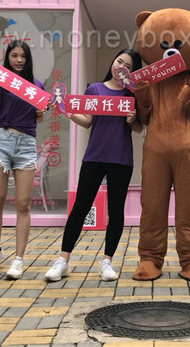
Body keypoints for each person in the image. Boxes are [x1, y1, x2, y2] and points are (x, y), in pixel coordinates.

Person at [45, 49, 143, 282]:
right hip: (94, 157)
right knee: (80, 207)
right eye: (119, 61)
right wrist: (67, 111)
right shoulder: (95, 89)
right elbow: (87, 122)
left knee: (116, 212)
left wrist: (132, 121)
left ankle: (107, 261)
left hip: (121, 159)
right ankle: (63, 260)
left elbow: (139, 128)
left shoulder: (133, 94)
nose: (122, 67)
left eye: (128, 66)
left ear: (133, 72)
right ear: (113, 61)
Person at [0, 41, 45, 280]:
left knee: (23, 204)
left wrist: (40, 113)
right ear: (7, 58)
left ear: (28, 59)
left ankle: (18, 259)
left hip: (26, 145)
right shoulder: (0, 83)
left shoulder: (36, 86)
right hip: (2, 142)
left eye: (23, 56)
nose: (19, 60)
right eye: (14, 55)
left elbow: (38, 118)